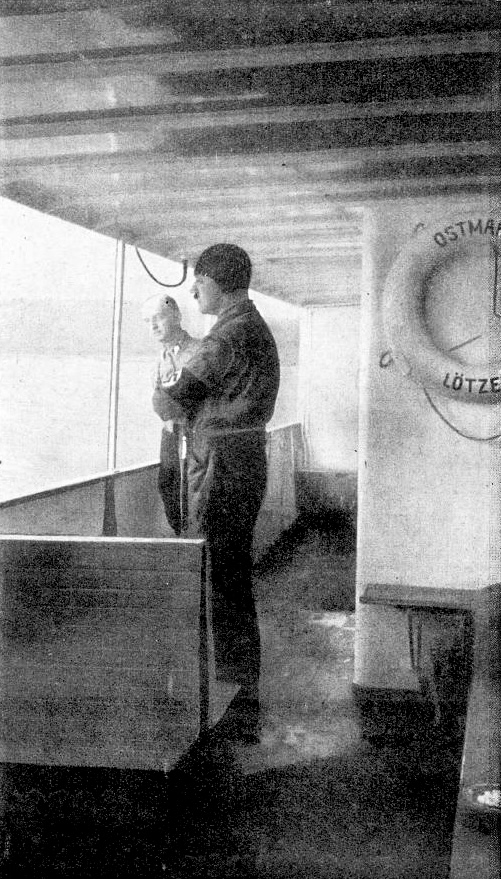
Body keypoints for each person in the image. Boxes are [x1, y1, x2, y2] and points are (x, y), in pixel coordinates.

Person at [155, 244, 280, 741]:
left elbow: (170, 402)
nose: (193, 293)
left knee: (218, 577)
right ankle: (240, 687)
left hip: (221, 463)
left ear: (217, 284)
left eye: (199, 284)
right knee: (231, 576)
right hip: (243, 458)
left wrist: (166, 379)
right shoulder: (253, 327)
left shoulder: (227, 334)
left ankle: (231, 695)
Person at [142, 293, 199, 536]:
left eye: (159, 317)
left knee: (195, 493)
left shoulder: (198, 352)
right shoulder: (160, 360)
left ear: (176, 316)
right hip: (170, 436)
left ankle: (195, 543)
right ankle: (181, 539)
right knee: (169, 488)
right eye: (148, 321)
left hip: (195, 436)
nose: (153, 326)